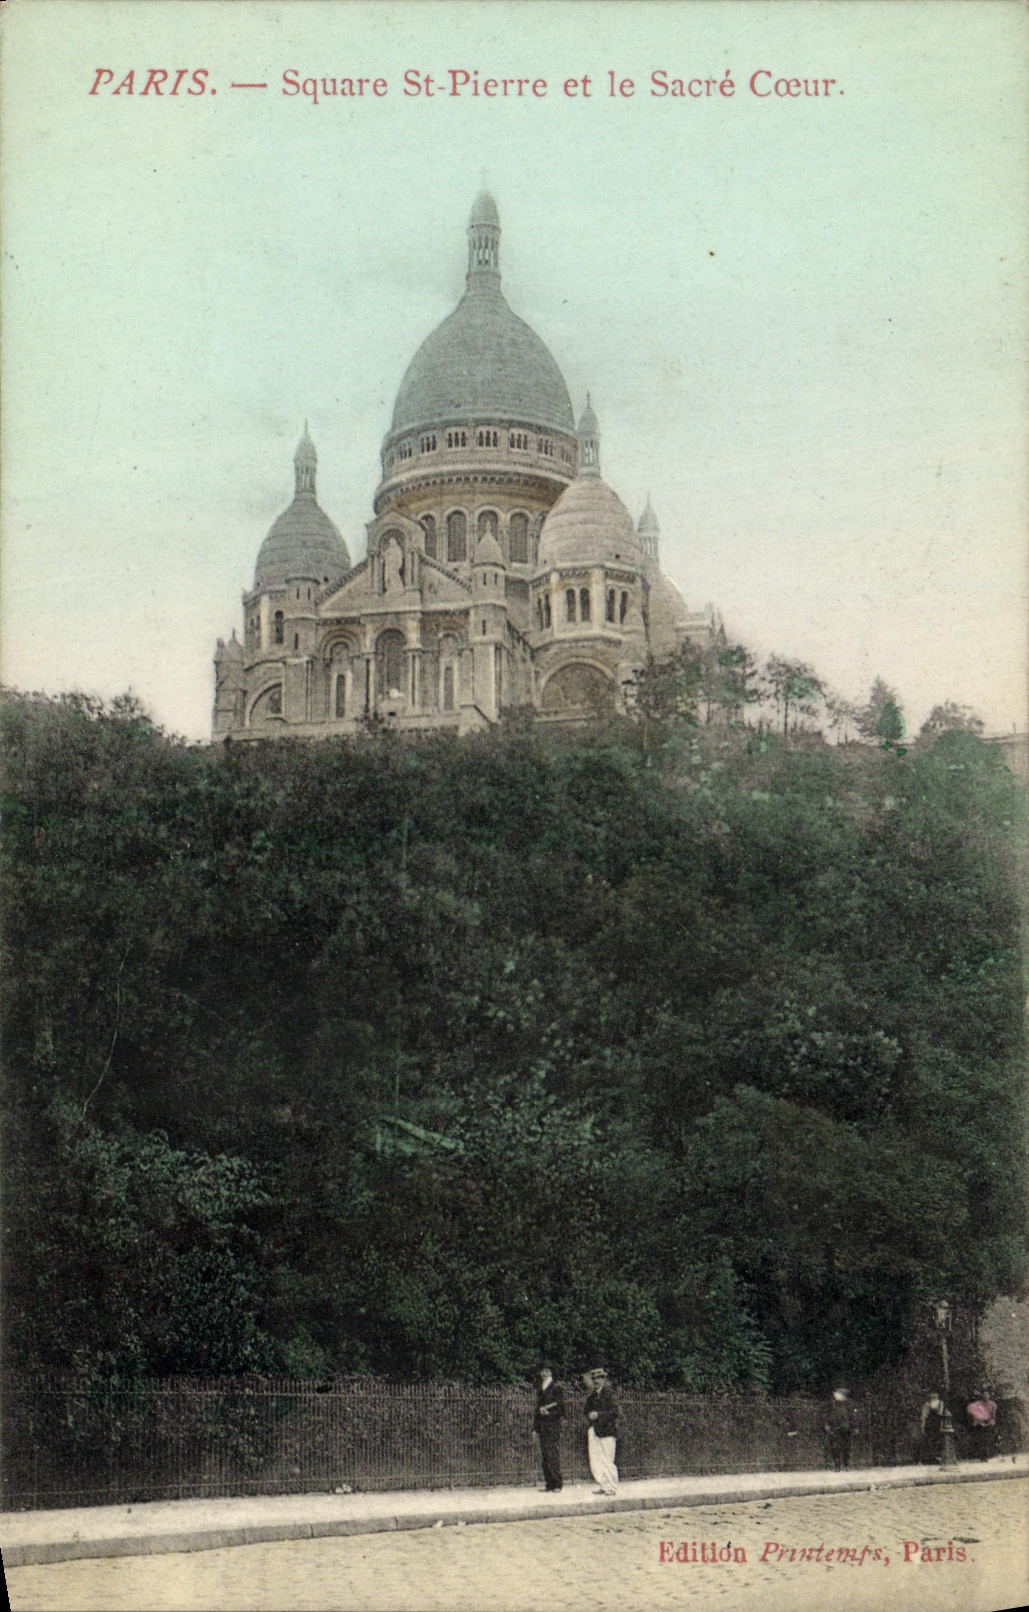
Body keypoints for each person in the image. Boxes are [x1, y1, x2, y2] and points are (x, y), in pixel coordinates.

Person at [583, 1365, 619, 1495]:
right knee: (596, 1458)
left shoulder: (609, 1394)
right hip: (595, 1430)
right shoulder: (592, 1396)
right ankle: (604, 1485)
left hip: (607, 1431)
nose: (596, 1381)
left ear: (604, 1380)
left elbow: (615, 1412)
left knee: (607, 1459)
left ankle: (611, 1487)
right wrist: (590, 1415)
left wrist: (599, 1415)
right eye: (594, 1379)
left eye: (599, 1378)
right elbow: (586, 1410)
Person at [533, 1366, 565, 1491]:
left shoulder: (556, 1388)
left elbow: (561, 1409)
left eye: (546, 1371)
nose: (544, 1373)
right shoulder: (540, 1388)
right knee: (545, 1456)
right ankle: (549, 1484)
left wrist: (549, 1413)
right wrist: (535, 1428)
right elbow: (537, 1410)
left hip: (552, 1426)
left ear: (551, 1372)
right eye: (542, 1371)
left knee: (552, 1455)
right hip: (543, 1427)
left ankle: (557, 1484)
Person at [823, 1386, 857, 1471]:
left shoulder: (849, 1404)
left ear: (842, 1395)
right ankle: (837, 1465)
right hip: (835, 1428)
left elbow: (853, 1417)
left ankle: (846, 1465)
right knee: (835, 1447)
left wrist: (854, 1426)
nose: (835, 1395)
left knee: (846, 1447)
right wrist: (827, 1424)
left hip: (846, 1428)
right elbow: (827, 1415)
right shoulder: (832, 1404)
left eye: (837, 1394)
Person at [918, 1392, 945, 1464]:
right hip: (932, 1425)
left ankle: (934, 1458)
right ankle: (932, 1458)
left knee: (933, 1440)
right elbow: (924, 1416)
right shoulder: (931, 1404)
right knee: (931, 1440)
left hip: (934, 1425)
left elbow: (924, 1416)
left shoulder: (933, 1404)